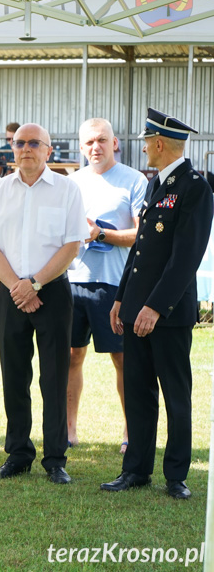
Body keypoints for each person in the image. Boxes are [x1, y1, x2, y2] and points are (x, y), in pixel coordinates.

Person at [101, 108, 213, 500]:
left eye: (147, 141)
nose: (144, 147)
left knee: (175, 394)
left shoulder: (195, 187)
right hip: (135, 310)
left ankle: (176, 476)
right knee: (138, 392)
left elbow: (186, 258)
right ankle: (136, 470)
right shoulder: (155, 184)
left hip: (167, 314)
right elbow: (140, 251)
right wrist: (121, 299)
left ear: (160, 143)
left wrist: (155, 307)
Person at [0, 122, 88, 484]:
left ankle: (55, 459)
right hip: (11, 292)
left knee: (54, 377)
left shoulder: (68, 190)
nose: (25, 148)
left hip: (51, 291)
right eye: (19, 143)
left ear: (48, 150)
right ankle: (18, 453)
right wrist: (16, 286)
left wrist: (35, 283)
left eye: (33, 143)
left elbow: (72, 245)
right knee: (14, 376)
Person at [66, 118, 146, 451]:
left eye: (102, 140)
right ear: (81, 147)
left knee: (123, 359)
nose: (95, 147)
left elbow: (142, 236)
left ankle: (131, 432)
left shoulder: (134, 180)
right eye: (88, 142)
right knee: (71, 357)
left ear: (114, 143)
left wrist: (101, 234)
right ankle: (68, 431)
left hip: (115, 285)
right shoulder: (71, 183)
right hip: (73, 282)